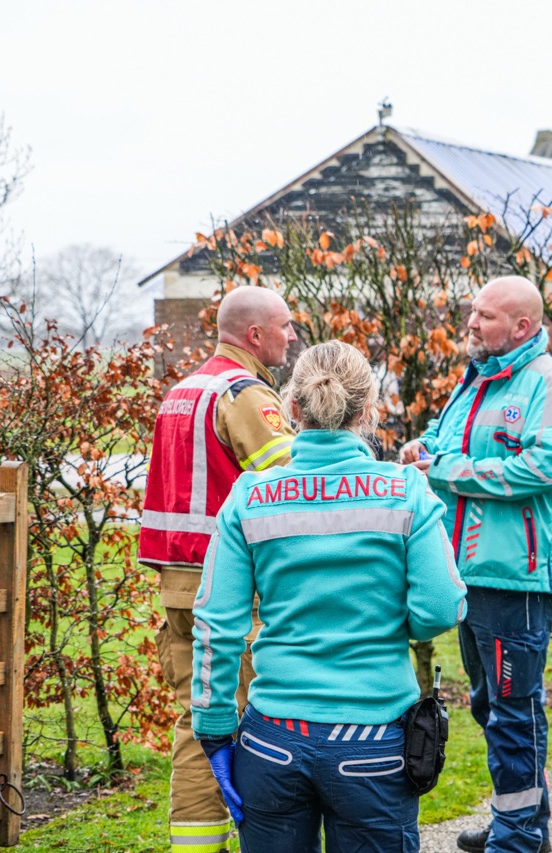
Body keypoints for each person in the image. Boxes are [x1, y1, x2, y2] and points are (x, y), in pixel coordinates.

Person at [190, 340, 467, 852]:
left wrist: (212, 728)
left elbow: (215, 624)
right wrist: (383, 622)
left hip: (271, 740)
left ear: (291, 408)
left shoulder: (250, 497)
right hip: (374, 742)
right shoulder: (406, 490)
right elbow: (440, 607)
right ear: (368, 412)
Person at [399, 276, 552, 853]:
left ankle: (518, 835)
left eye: (484, 316)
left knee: (514, 712)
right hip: (468, 575)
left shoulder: (550, 387)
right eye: (473, 312)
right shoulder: (476, 382)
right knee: (492, 707)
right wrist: (418, 451)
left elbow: (543, 468)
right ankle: (522, 823)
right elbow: (440, 443)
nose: (471, 323)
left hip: (518, 579)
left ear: (523, 327)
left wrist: (447, 469)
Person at [138, 285, 297, 853]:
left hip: (178, 588)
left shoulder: (181, 390)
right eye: (285, 325)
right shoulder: (245, 395)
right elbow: (295, 488)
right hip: (234, 594)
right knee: (259, 726)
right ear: (255, 335)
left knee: (197, 727)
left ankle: (195, 846)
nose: (293, 335)